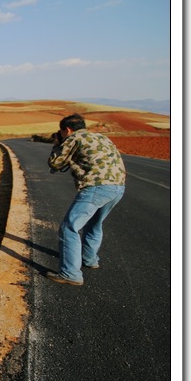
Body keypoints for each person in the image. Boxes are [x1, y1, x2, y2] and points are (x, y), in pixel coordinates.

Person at [46, 114, 126, 286]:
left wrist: (57, 143)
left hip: (97, 187)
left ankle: (70, 274)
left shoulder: (74, 137)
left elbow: (55, 163)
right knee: (94, 224)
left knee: (69, 228)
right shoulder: (101, 137)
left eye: (61, 131)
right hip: (118, 187)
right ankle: (90, 259)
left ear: (67, 129)